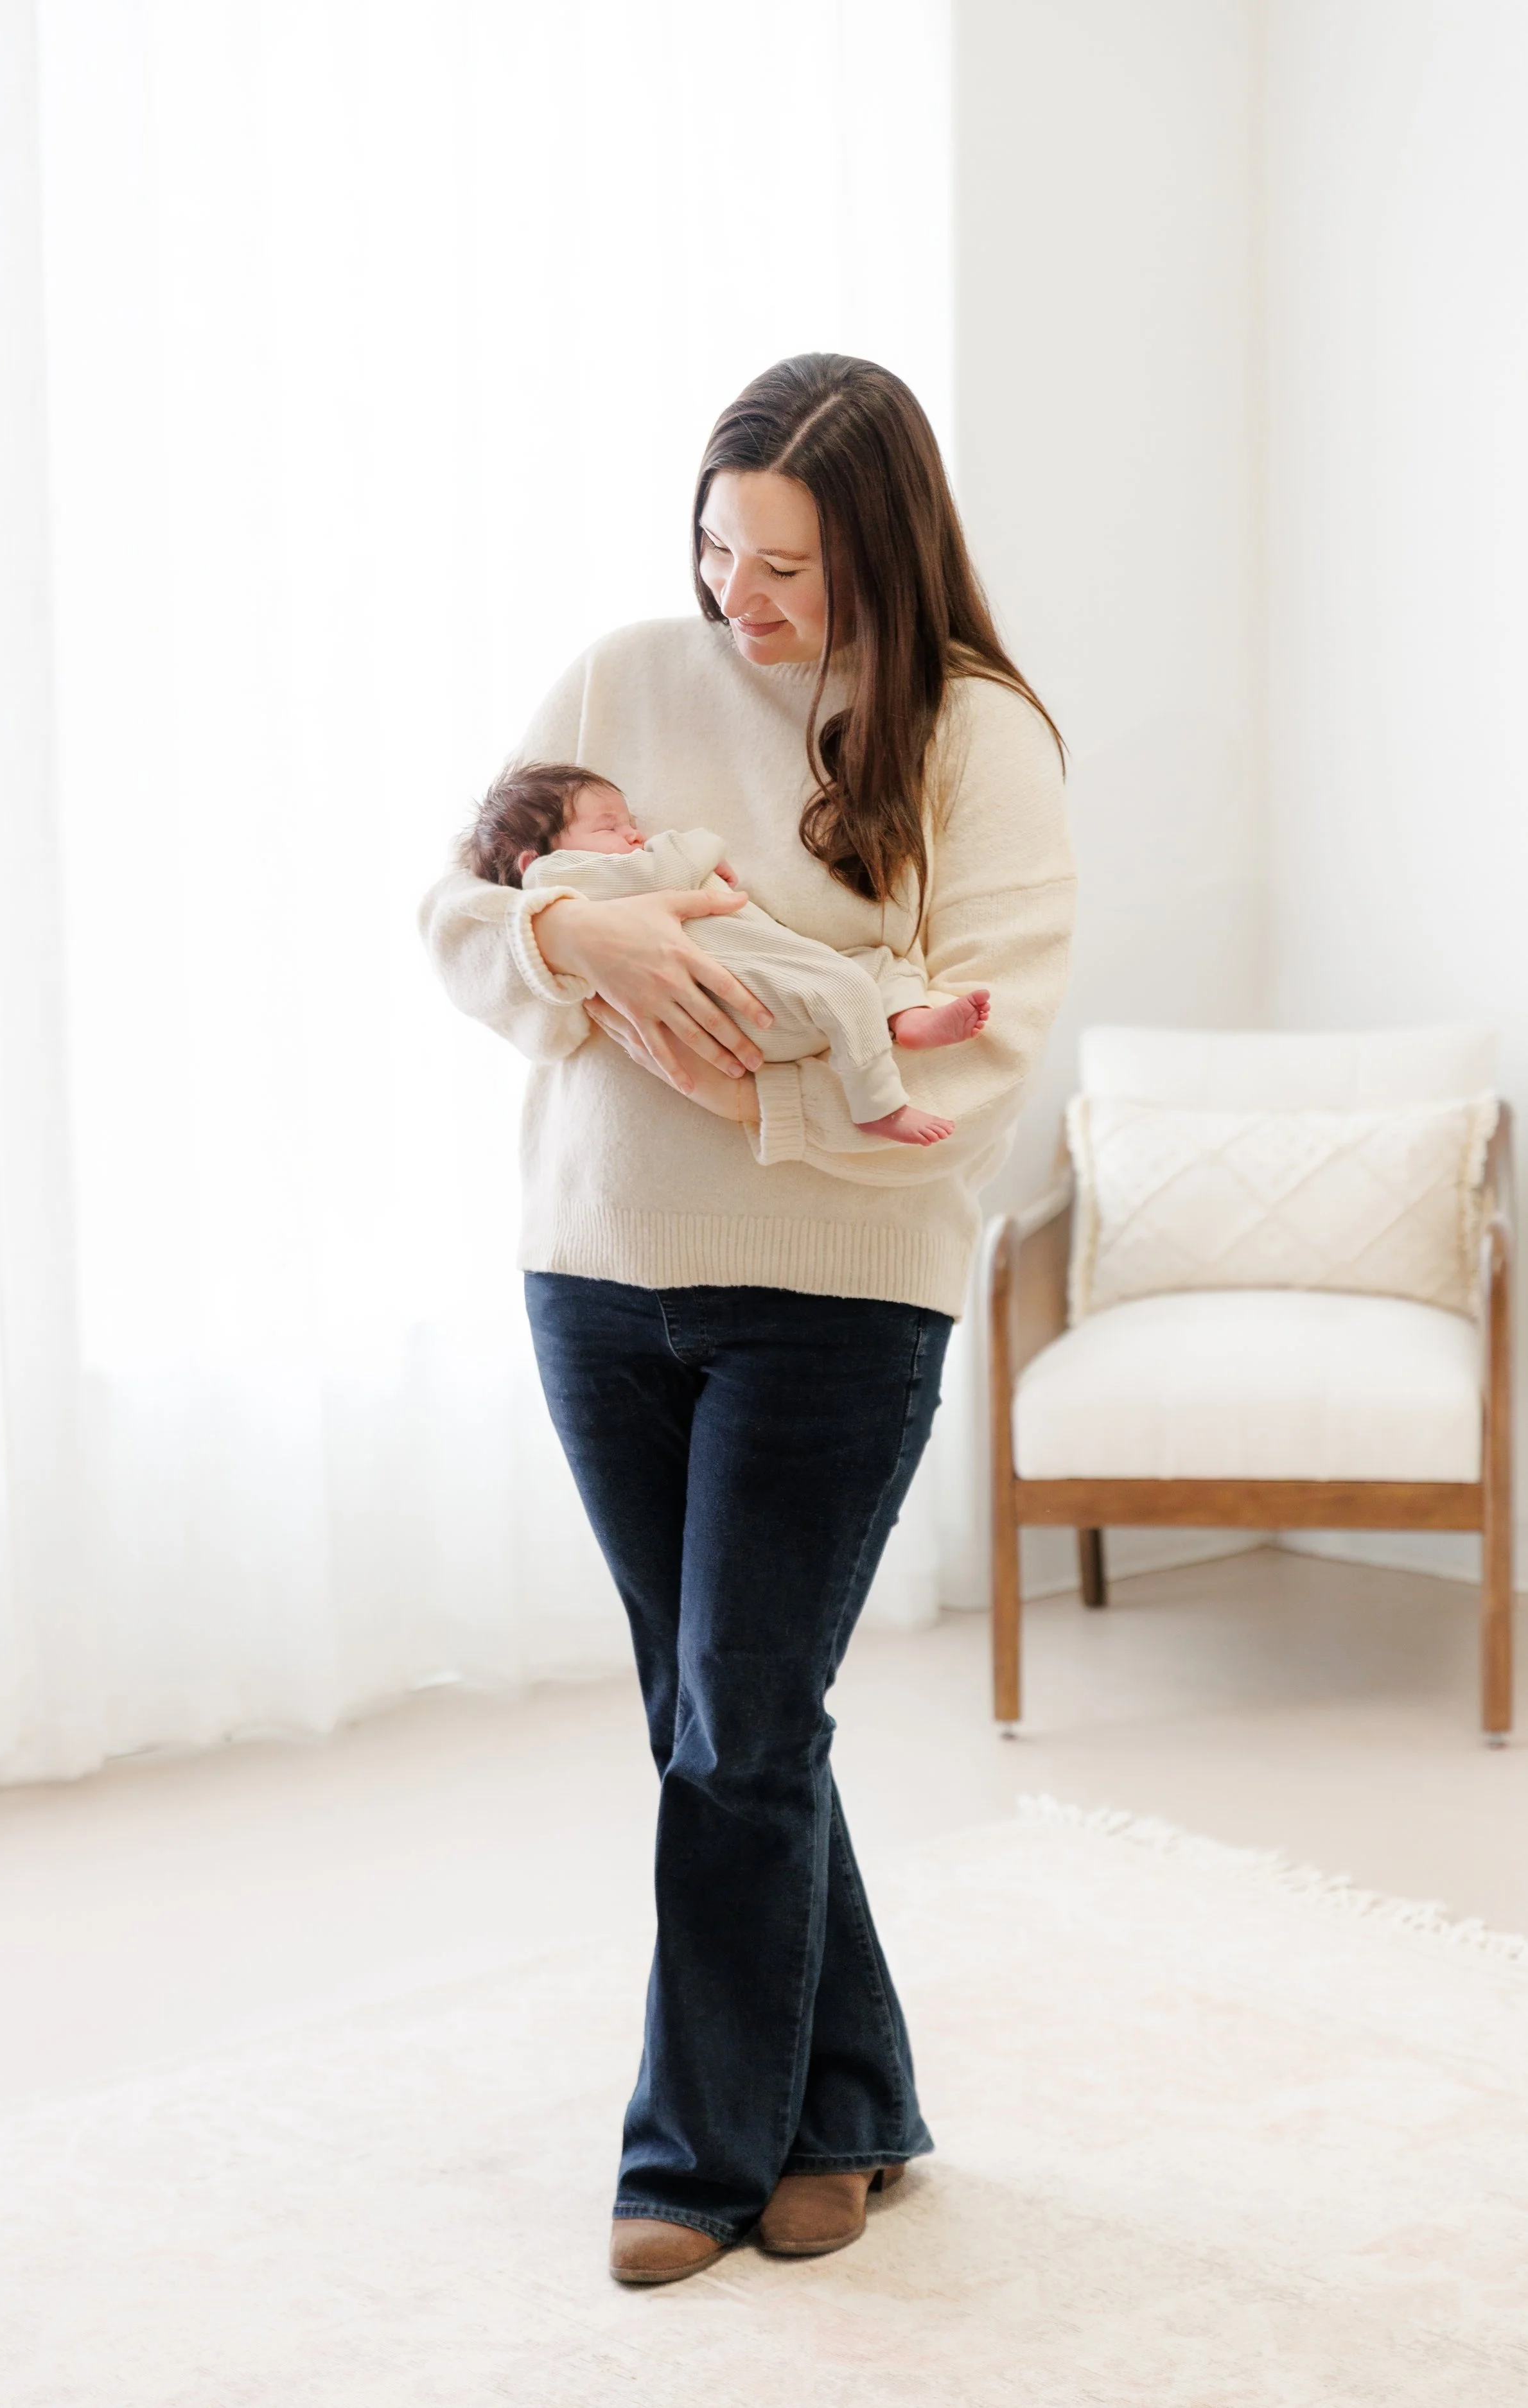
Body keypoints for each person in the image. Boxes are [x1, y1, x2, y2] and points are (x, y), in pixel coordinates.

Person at [419, 352, 1074, 2285]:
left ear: (881, 545)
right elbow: (455, 913)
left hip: (830, 1305)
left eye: (785, 565)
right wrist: (570, 933)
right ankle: (843, 2107)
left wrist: (740, 1089)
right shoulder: (624, 675)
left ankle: (689, 2152)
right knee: (717, 1717)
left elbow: (985, 1061)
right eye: (718, 548)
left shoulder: (973, 735)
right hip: (593, 1276)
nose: (742, 603)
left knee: (738, 1727)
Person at [461, 758, 992, 1143]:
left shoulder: (597, 872)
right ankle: (877, 1104)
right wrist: (700, 848)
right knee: (845, 987)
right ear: (533, 861)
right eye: (609, 826)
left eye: (631, 823)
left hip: (771, 985)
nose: (633, 835)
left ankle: (907, 1016)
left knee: (875, 965)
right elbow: (662, 869)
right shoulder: (559, 878)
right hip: (748, 1004)